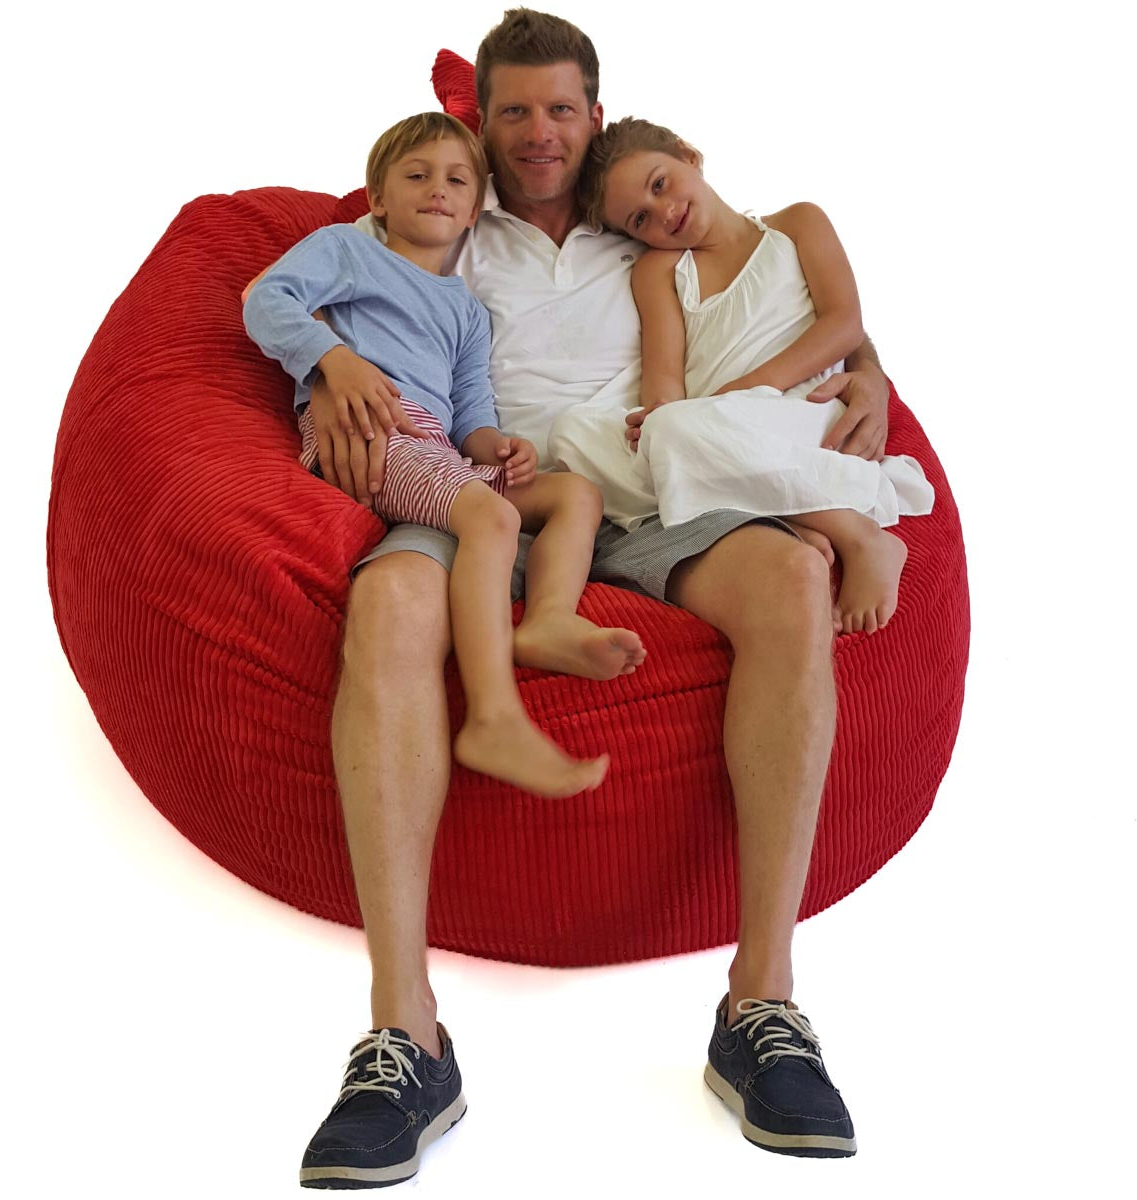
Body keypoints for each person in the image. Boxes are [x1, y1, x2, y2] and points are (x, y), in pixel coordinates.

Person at [294, 9, 896, 1186]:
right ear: (477, 121)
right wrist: (324, 370)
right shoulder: (444, 208)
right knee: (390, 606)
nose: (538, 134)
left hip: (643, 487)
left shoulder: (648, 228)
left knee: (791, 573)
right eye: (513, 111)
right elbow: (331, 295)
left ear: (597, 115)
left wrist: (870, 375)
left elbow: (781, 306)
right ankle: (405, 1036)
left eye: (560, 109)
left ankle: (761, 1005)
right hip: (473, 483)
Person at [244, 111, 645, 804]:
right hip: (373, 433)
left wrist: (499, 448)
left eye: (458, 180)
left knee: (574, 493)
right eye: (417, 175)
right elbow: (267, 300)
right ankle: (492, 717)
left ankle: (547, 618)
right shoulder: (348, 250)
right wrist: (334, 361)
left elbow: (469, 410)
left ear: (474, 209)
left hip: (435, 448)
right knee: (491, 518)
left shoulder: (465, 308)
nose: (438, 188)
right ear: (378, 198)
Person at [557, 116, 934, 635]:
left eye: (660, 183)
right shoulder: (659, 271)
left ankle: (858, 535)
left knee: (678, 435)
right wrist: (660, 418)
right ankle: (785, 509)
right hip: (716, 430)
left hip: (802, 416)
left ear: (688, 155)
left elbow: (844, 324)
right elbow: (664, 383)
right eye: (641, 219)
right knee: (573, 434)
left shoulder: (796, 225)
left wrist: (738, 394)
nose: (664, 212)